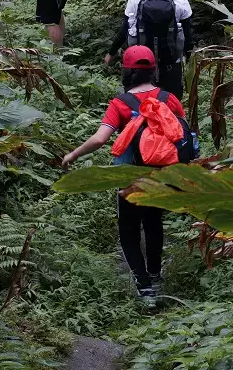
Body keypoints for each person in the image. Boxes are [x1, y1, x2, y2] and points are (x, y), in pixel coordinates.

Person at [61, 46, 184, 298]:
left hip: (128, 178)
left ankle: (144, 287)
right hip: (161, 175)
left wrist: (73, 154)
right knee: (153, 223)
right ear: (153, 70)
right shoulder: (168, 98)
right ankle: (155, 276)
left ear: (126, 71)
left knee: (128, 231)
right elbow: (184, 134)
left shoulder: (120, 104)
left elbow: (100, 139)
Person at [105, 0, 193, 97]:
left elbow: (124, 30)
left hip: (139, 67)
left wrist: (111, 53)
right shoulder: (180, 1)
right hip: (171, 66)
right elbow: (188, 37)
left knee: (139, 108)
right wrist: (190, 60)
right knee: (170, 110)